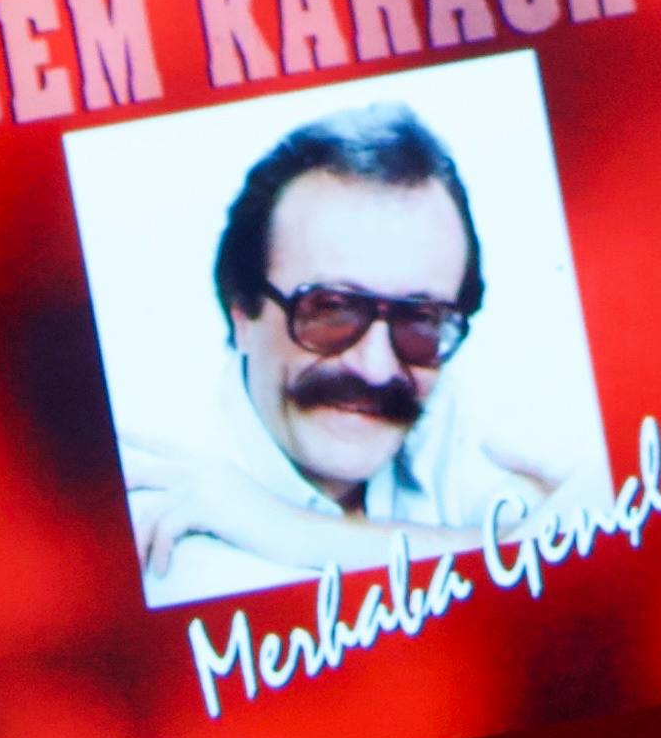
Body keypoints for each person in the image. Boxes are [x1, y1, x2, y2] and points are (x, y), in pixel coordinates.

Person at [129, 105, 552, 602]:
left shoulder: (461, 415)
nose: (375, 368)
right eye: (329, 310)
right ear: (241, 310)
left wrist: (286, 528)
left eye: (418, 321)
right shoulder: (156, 485)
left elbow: (577, 539)